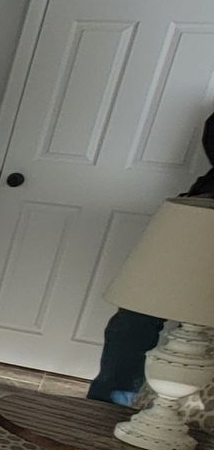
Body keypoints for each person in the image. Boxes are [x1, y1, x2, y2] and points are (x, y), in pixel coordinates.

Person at [88, 109, 214, 403]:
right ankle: (109, 406)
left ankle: (177, 416)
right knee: (134, 319)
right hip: (198, 219)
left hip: (196, 218)